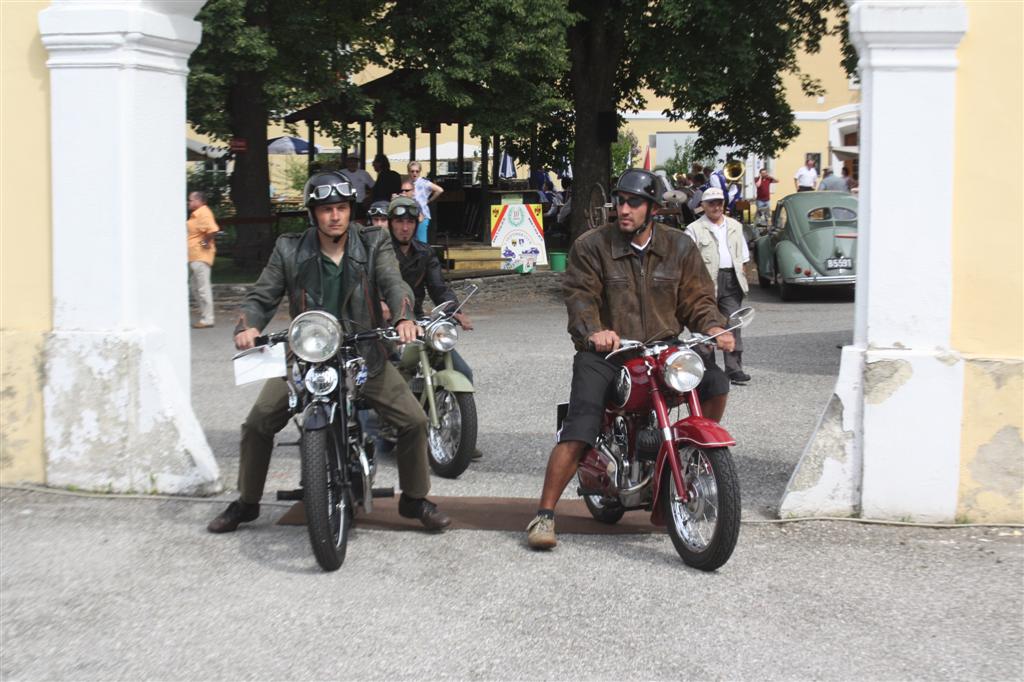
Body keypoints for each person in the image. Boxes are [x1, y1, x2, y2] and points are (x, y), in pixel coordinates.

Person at [207, 170, 450, 534]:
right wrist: (249, 326)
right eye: (325, 209)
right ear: (312, 214)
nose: (334, 216)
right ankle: (247, 502)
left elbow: (393, 281)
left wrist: (403, 318)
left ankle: (415, 499)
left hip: (364, 353)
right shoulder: (289, 248)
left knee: (414, 421)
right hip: (307, 356)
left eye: (341, 208)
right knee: (258, 423)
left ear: (350, 210)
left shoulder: (372, 243)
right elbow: (262, 295)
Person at [525, 169, 734, 550]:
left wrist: (714, 327)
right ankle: (545, 514)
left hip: (662, 348)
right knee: (581, 425)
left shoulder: (679, 247)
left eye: (634, 202)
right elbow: (580, 296)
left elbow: (697, 298)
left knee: (715, 383)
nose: (624, 209)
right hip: (608, 352)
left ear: (652, 208)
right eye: (620, 201)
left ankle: (688, 459)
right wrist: (593, 330)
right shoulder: (592, 246)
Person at [685, 187, 751, 386]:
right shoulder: (694, 229)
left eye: (719, 202)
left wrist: (742, 277)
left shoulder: (735, 226)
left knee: (734, 324)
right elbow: (686, 261)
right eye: (712, 203)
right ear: (703, 205)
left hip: (731, 278)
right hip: (705, 281)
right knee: (706, 323)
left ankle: (734, 368)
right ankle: (706, 367)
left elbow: (743, 256)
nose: (716, 206)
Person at [186, 191, 220, 328]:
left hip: (201, 256)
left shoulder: (203, 212)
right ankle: (205, 315)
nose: (189, 203)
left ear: (199, 201)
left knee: (203, 288)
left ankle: (208, 318)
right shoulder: (196, 214)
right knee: (195, 287)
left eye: (191, 200)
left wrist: (203, 244)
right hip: (194, 256)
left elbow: (212, 230)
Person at [407, 161, 444, 244]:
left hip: (422, 215)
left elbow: (440, 190)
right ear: (408, 171)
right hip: (410, 215)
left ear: (420, 172)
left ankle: (424, 256)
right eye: (412, 171)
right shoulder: (407, 183)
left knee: (421, 242)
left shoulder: (424, 182)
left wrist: (429, 200)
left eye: (417, 171)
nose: (414, 173)